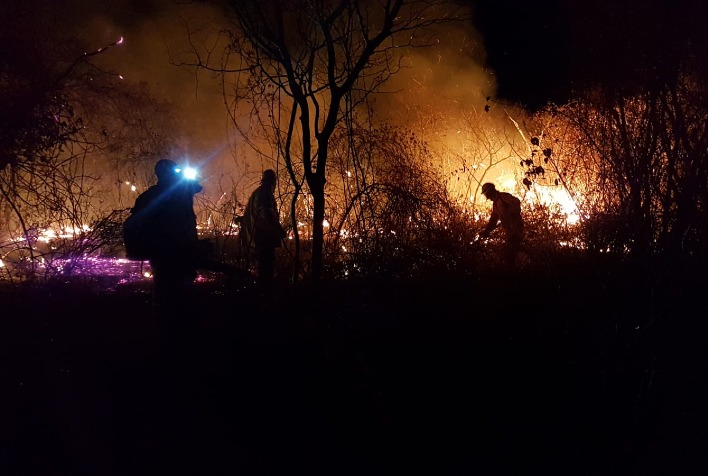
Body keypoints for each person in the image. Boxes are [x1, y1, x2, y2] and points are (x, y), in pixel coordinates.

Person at [128, 158, 203, 315]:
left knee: (162, 284)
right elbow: (197, 186)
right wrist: (183, 174)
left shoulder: (149, 195)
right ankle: (182, 322)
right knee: (182, 285)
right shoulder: (182, 191)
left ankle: (162, 319)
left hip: (159, 249)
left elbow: (135, 220)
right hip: (181, 247)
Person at [240, 169, 286, 290]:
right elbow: (267, 214)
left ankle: (262, 292)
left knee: (263, 266)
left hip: (259, 236)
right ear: (273, 181)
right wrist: (279, 230)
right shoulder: (265, 193)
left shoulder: (258, 192)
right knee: (267, 267)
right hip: (265, 237)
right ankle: (265, 294)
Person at [480, 182, 524, 269]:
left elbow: (516, 202)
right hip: (509, 231)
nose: (486, 197)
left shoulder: (503, 197)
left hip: (516, 228)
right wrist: (486, 231)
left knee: (509, 255)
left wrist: (511, 212)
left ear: (489, 192)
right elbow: (493, 220)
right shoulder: (495, 205)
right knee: (511, 255)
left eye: (486, 194)